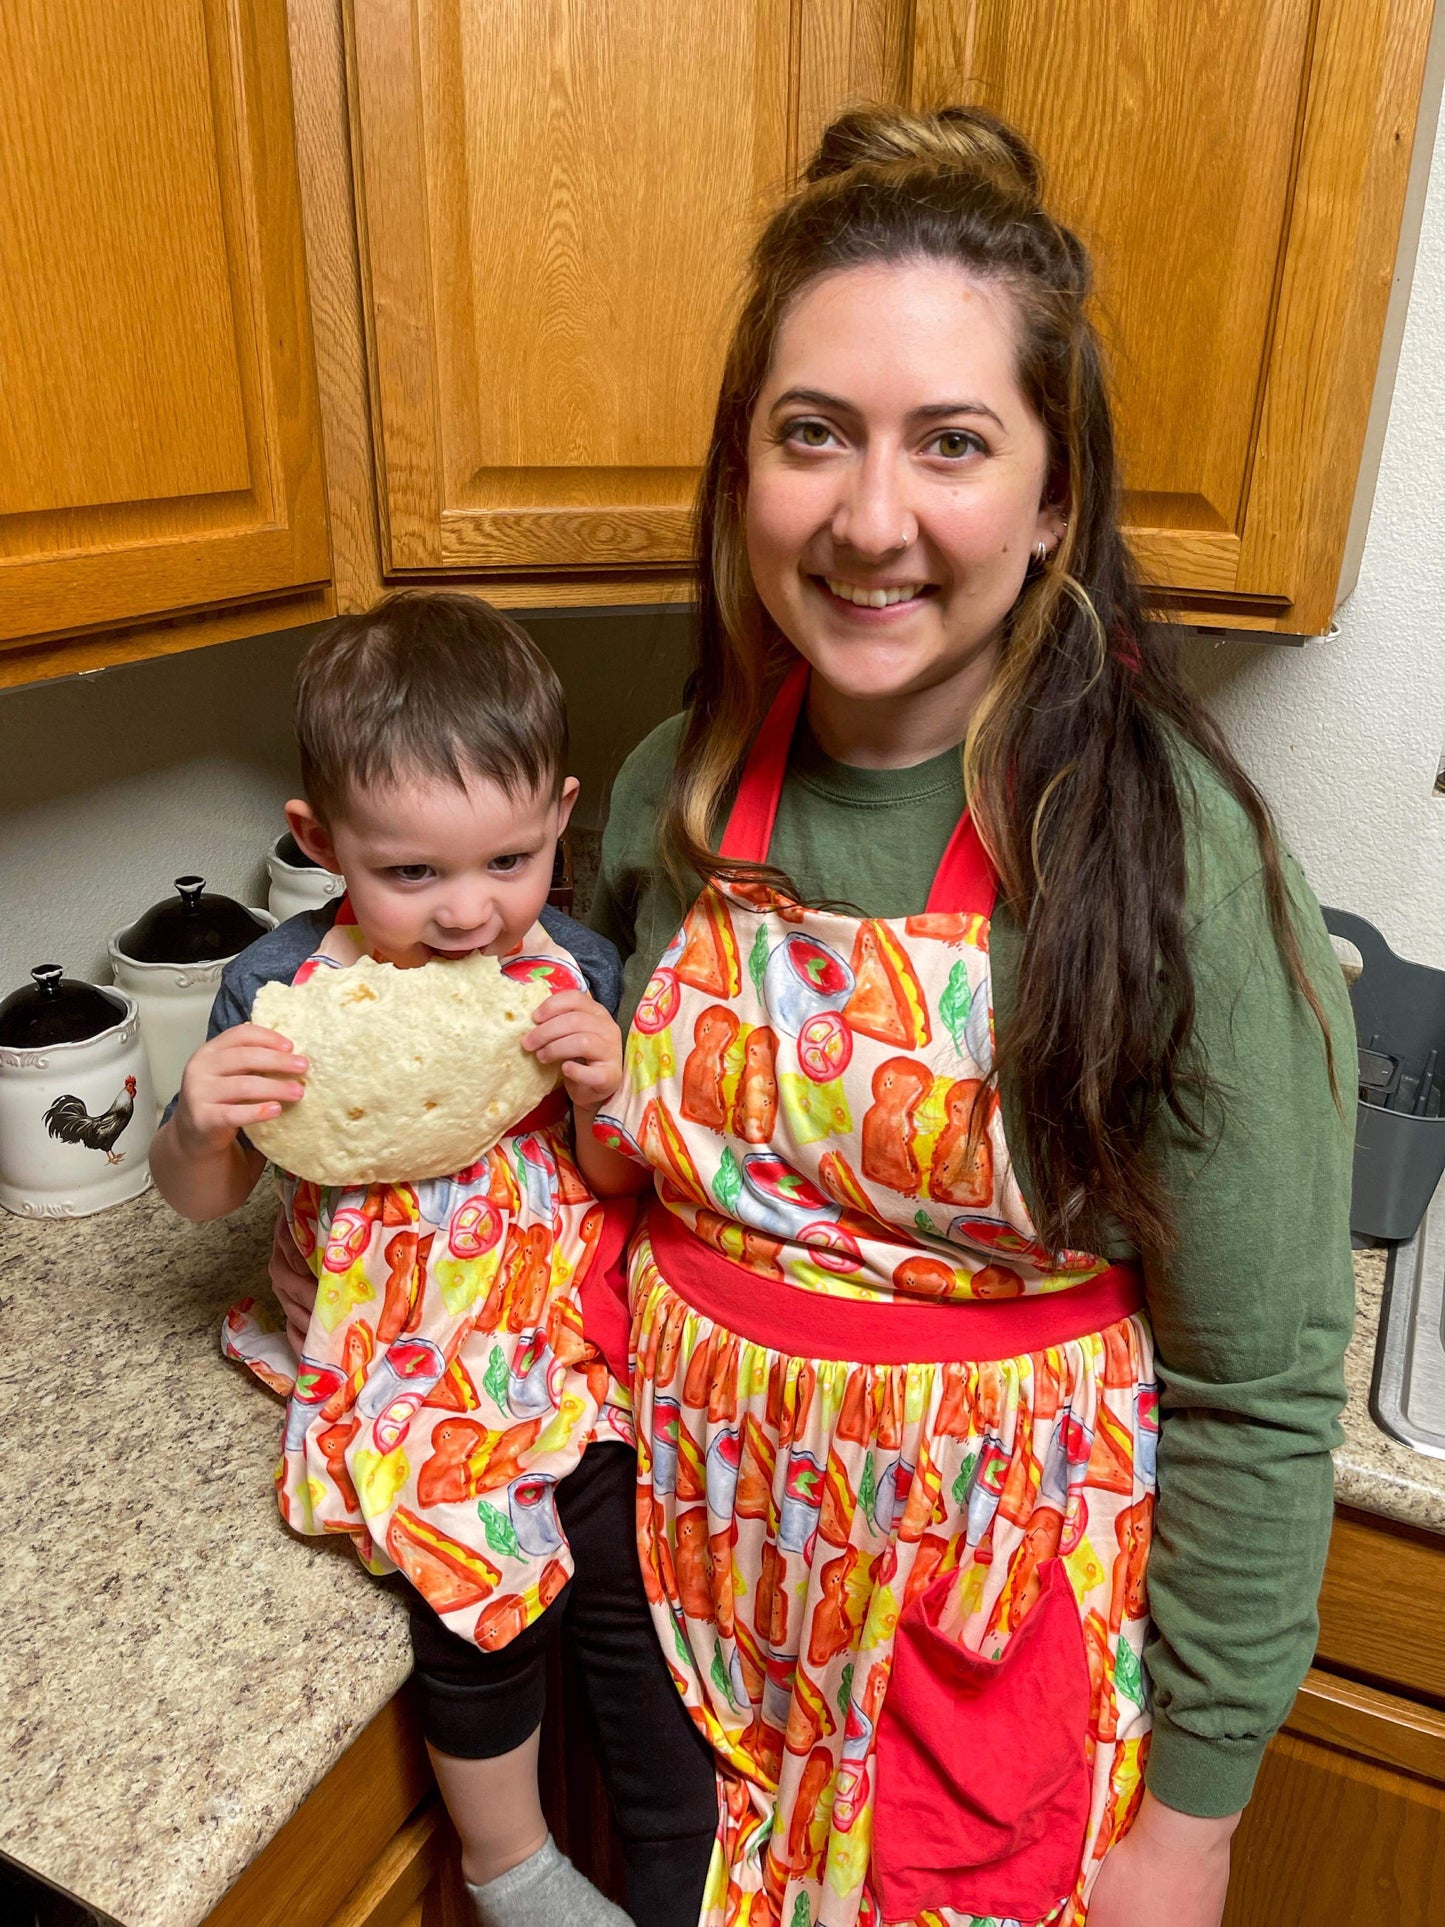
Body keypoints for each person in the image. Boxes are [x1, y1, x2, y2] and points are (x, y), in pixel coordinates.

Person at [573, 105, 1355, 1927]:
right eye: (810, 436)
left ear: (1054, 497)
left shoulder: (1173, 864)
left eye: (951, 445)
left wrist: (1194, 1827)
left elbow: (1254, 1390)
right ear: (741, 474)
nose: (869, 521)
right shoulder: (664, 798)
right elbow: (599, 1145)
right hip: (683, 1633)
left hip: (979, 1676)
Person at [150, 593, 718, 1927]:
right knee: (475, 1614)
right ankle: (509, 1865)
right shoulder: (277, 993)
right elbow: (200, 1196)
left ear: (562, 820)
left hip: (554, 1347)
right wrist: (194, 1120)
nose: (471, 913)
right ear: (320, 841)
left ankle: (679, 1853)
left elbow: (608, 1181)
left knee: (639, 1607)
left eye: (511, 861)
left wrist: (603, 1095)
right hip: (400, 1365)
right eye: (411, 875)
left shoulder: (571, 964)